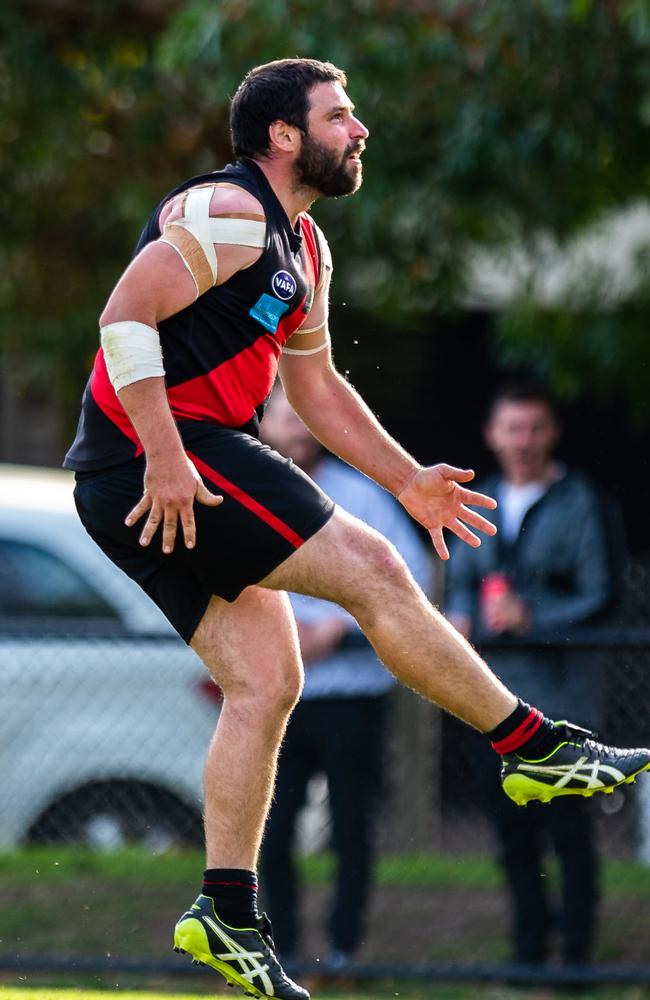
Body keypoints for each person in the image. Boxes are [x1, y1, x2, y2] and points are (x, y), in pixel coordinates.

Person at [63, 58, 649, 1000]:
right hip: (163, 458)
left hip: (140, 470)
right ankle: (533, 747)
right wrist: (168, 455)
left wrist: (408, 477)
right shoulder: (229, 211)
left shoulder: (306, 248)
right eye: (341, 115)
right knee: (373, 567)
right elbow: (123, 320)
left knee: (268, 679)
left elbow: (317, 389)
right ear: (284, 135)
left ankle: (225, 907)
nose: (360, 128)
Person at [445, 382, 619, 966]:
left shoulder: (583, 503)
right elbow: (462, 583)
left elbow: (604, 596)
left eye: (534, 428)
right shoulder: (478, 499)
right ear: (492, 436)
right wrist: (462, 615)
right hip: (495, 701)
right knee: (513, 840)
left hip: (566, 702)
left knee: (569, 838)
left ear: (553, 433)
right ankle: (526, 956)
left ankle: (576, 962)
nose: (523, 441)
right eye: (512, 428)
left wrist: (534, 617)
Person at [259, 385, 432, 967]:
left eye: (307, 421)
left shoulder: (364, 498)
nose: (299, 433)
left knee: (351, 829)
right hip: (274, 698)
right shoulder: (240, 492)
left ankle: (343, 951)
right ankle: (276, 950)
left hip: (351, 697)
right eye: (288, 420)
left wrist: (338, 630)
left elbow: (413, 587)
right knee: (270, 832)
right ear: (265, 424)